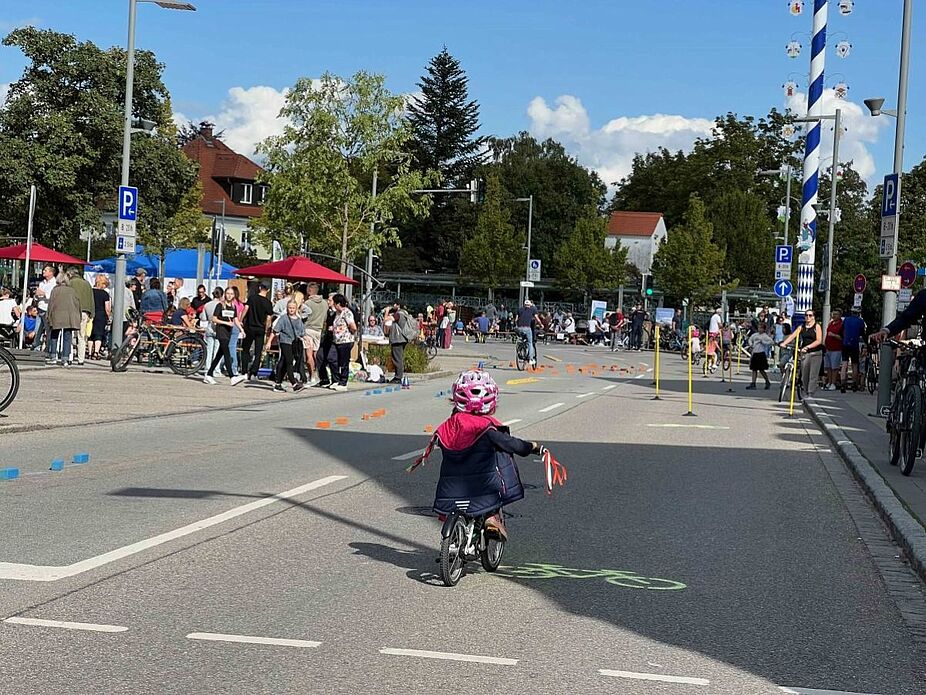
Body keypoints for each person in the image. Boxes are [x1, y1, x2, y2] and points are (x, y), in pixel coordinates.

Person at [413, 370, 552, 541]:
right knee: (498, 462)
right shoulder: (488, 429)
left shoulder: (448, 426)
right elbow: (512, 444)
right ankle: (491, 517)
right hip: (482, 490)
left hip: (449, 489)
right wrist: (532, 447)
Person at [204, 287, 246, 386]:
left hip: (228, 332)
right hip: (221, 331)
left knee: (219, 354)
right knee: (226, 352)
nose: (229, 295)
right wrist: (226, 323)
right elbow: (214, 319)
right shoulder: (220, 305)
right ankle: (232, 377)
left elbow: (235, 319)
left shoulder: (233, 306)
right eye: (228, 293)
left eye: (231, 294)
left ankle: (209, 375)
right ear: (225, 294)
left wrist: (241, 329)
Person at [779, 309, 824, 397]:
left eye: (810, 315)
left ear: (813, 317)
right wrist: (784, 343)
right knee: (805, 374)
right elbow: (793, 335)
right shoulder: (802, 327)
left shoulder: (816, 326)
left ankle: (810, 393)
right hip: (804, 353)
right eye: (806, 315)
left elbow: (819, 340)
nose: (808, 317)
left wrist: (808, 347)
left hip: (815, 353)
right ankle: (806, 391)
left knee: (813, 374)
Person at [268, 300, 306, 394]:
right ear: (287, 308)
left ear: (296, 309)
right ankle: (294, 384)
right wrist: (269, 342)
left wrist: (306, 339)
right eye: (290, 308)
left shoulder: (298, 319)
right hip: (285, 342)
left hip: (294, 343)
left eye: (293, 308)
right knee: (289, 362)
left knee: (284, 362)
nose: (291, 310)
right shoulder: (283, 318)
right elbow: (275, 330)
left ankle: (278, 383)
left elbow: (302, 333)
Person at [45, 273, 81, 366]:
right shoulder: (72, 291)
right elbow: (77, 304)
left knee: (54, 336)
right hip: (69, 316)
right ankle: (65, 358)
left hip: (56, 315)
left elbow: (51, 304)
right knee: (67, 337)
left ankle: (53, 356)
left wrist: (48, 316)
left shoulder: (55, 290)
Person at [241, 283, 274, 380]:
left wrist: (241, 319)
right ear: (268, 290)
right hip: (260, 329)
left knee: (246, 349)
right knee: (258, 351)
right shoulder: (268, 303)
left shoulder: (252, 298)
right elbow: (268, 318)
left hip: (250, 327)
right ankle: (254, 371)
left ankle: (244, 370)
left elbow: (246, 309)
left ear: (260, 288)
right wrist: (267, 328)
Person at [329, 293, 357, 392]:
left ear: (338, 304)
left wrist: (349, 333)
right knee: (332, 358)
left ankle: (343, 382)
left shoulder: (347, 313)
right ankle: (336, 379)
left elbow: (353, 326)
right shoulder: (337, 314)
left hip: (345, 340)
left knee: (344, 362)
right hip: (336, 340)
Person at [302, 283, 327, 385]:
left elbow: (302, 316)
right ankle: (319, 374)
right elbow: (325, 318)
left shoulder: (307, 303)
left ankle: (311, 376)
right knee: (316, 354)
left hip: (308, 329)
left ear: (309, 290)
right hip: (319, 330)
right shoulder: (325, 303)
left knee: (309, 355)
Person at [386, 301, 414, 384]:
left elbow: (386, 320)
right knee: (399, 357)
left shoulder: (398, 314)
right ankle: (398, 375)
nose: (392, 306)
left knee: (397, 358)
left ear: (398, 305)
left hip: (397, 339)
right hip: (403, 338)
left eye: (394, 304)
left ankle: (398, 377)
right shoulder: (404, 313)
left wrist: (387, 311)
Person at [840, 308, 867, 393]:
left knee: (844, 364)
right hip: (854, 344)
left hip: (845, 344)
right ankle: (854, 384)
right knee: (855, 365)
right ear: (859, 313)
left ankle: (842, 384)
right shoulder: (860, 321)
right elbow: (862, 333)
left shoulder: (846, 320)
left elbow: (841, 330)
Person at [201, 288, 224, 375]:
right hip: (219, 328)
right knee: (217, 350)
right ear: (221, 295)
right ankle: (216, 369)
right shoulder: (222, 305)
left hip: (210, 326)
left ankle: (207, 368)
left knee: (209, 349)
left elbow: (203, 318)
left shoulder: (207, 305)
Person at [746, 323, 774, 390]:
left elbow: (771, 342)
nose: (759, 329)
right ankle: (753, 383)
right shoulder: (755, 335)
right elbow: (750, 339)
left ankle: (767, 381)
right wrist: (751, 344)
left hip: (761, 353)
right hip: (755, 353)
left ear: (764, 329)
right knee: (754, 369)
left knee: (761, 369)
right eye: (759, 328)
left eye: (761, 328)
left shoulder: (765, 336)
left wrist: (763, 342)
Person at [90, 275, 112, 359]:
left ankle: (89, 352)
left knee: (91, 334)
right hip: (101, 315)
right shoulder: (104, 294)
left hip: (91, 314)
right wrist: (109, 316)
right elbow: (107, 308)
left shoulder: (90, 291)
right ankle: (96, 352)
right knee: (99, 334)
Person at [823, 308, 844, 391]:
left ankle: (833, 383)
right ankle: (829, 381)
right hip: (828, 348)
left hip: (836, 349)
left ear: (840, 316)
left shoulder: (841, 325)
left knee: (834, 367)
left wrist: (834, 335)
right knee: (828, 367)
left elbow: (842, 337)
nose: (834, 316)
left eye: (836, 314)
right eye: (833, 314)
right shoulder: (831, 323)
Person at [515, 299, 539, 366]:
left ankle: (520, 348)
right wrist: (541, 324)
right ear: (530, 305)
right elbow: (537, 318)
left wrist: (517, 325)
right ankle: (531, 359)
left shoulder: (520, 309)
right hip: (527, 328)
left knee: (521, 337)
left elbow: (516, 319)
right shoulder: (532, 309)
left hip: (519, 328)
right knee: (530, 343)